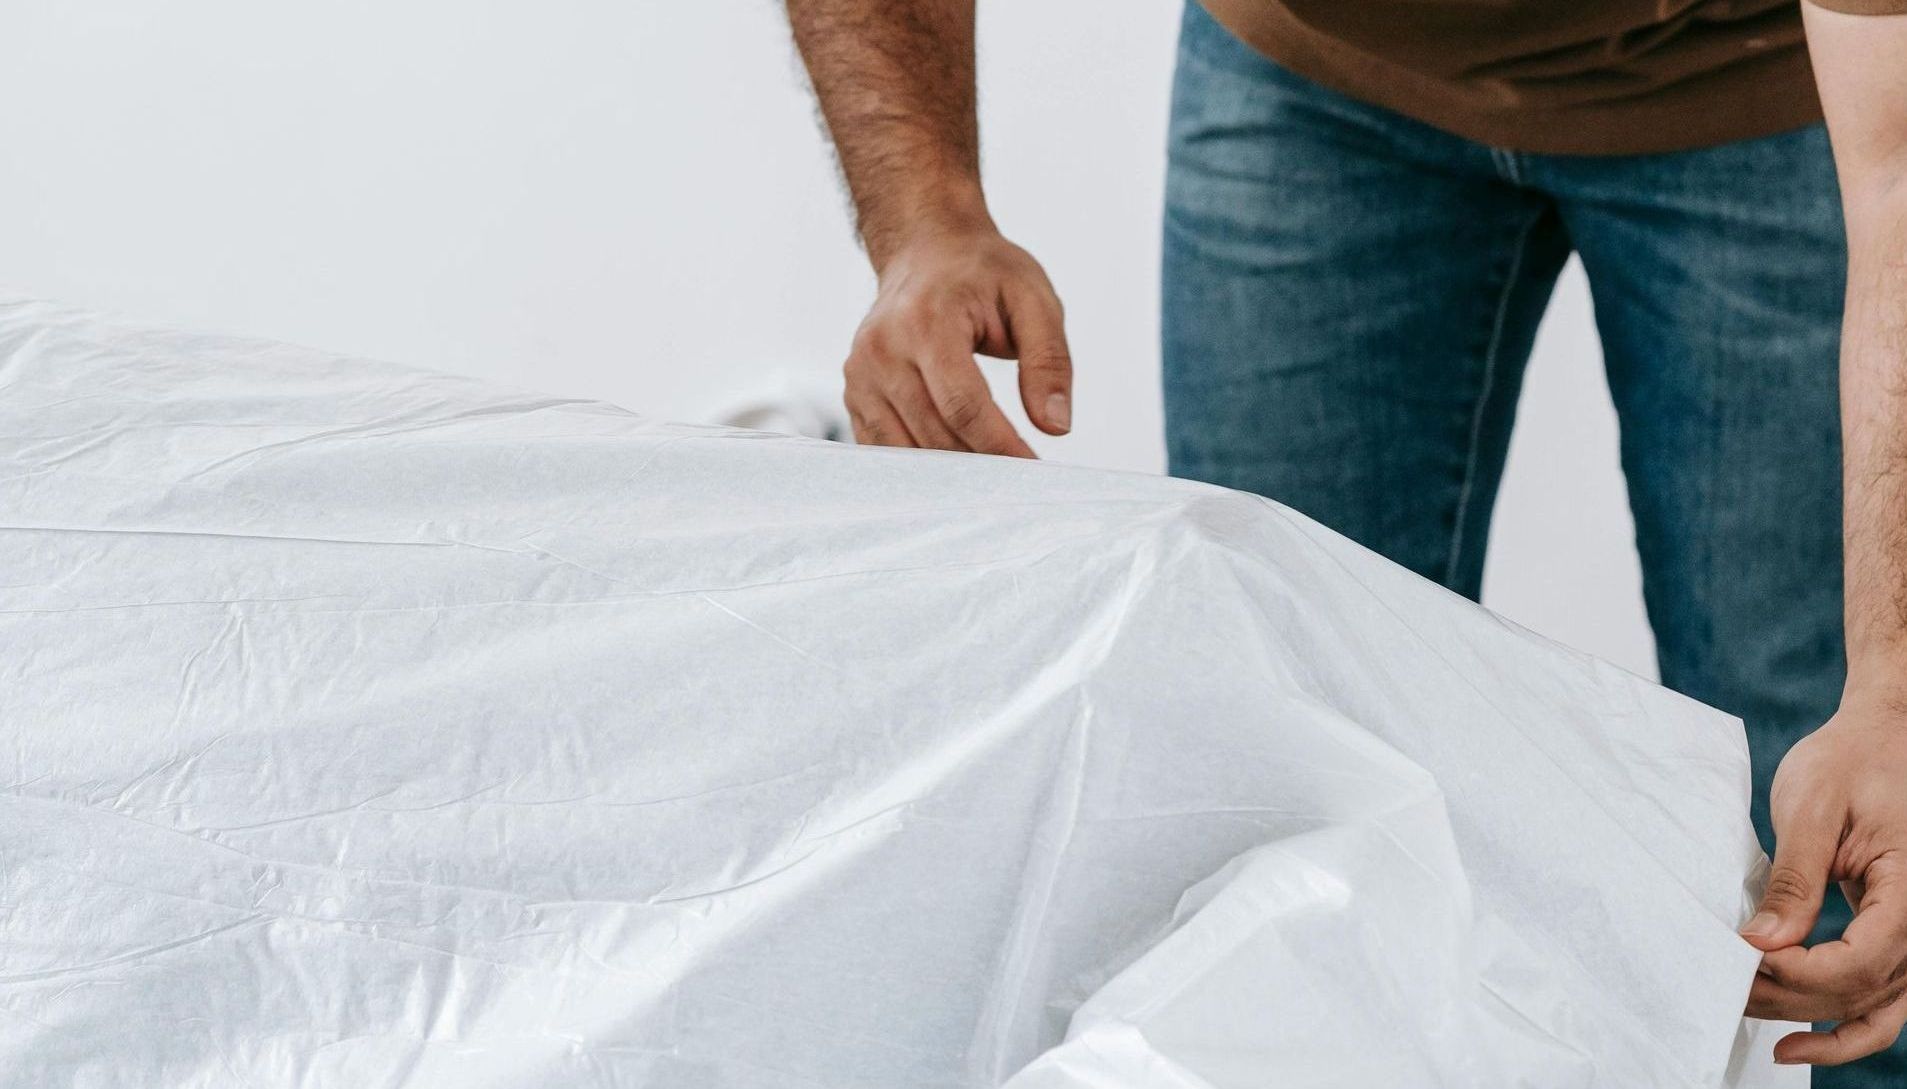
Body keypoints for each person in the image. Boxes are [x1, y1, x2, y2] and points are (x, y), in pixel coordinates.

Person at [783, 0, 1907, 1079]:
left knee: (1837, 824)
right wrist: (923, 219)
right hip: (1310, 77)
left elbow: (1895, 176)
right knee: (1261, 764)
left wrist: (1892, 688)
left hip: (1768, 88)